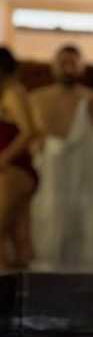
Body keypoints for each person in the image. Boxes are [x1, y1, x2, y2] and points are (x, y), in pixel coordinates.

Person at [28, 43, 93, 271]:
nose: (68, 68)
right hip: (50, 176)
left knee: (87, 223)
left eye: (73, 63)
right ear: (53, 66)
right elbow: (27, 137)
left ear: (81, 67)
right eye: (63, 63)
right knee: (48, 222)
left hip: (85, 175)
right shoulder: (36, 99)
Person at [0, 46, 38, 269]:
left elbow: (30, 131)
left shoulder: (12, 92)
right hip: (17, 170)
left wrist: (4, 158)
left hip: (15, 171)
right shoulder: (11, 92)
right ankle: (22, 286)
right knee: (19, 236)